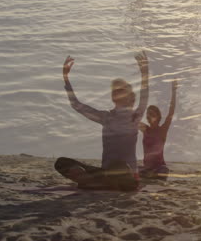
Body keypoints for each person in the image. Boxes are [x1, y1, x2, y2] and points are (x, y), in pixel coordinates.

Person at [54, 52, 149, 191]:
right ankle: (98, 181)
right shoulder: (105, 117)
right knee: (62, 163)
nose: (117, 93)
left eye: (122, 90)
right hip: (106, 173)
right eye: (115, 91)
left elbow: (145, 95)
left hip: (127, 176)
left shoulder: (135, 116)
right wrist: (66, 78)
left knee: (119, 166)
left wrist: (144, 72)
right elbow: (77, 105)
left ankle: (95, 182)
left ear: (130, 96)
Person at [138, 79, 177, 181]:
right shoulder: (145, 129)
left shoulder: (162, 130)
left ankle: (152, 175)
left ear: (158, 116)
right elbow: (133, 119)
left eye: (152, 114)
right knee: (133, 169)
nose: (149, 116)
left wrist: (174, 91)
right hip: (147, 168)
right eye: (148, 114)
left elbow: (171, 112)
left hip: (159, 168)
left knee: (163, 171)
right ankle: (148, 175)